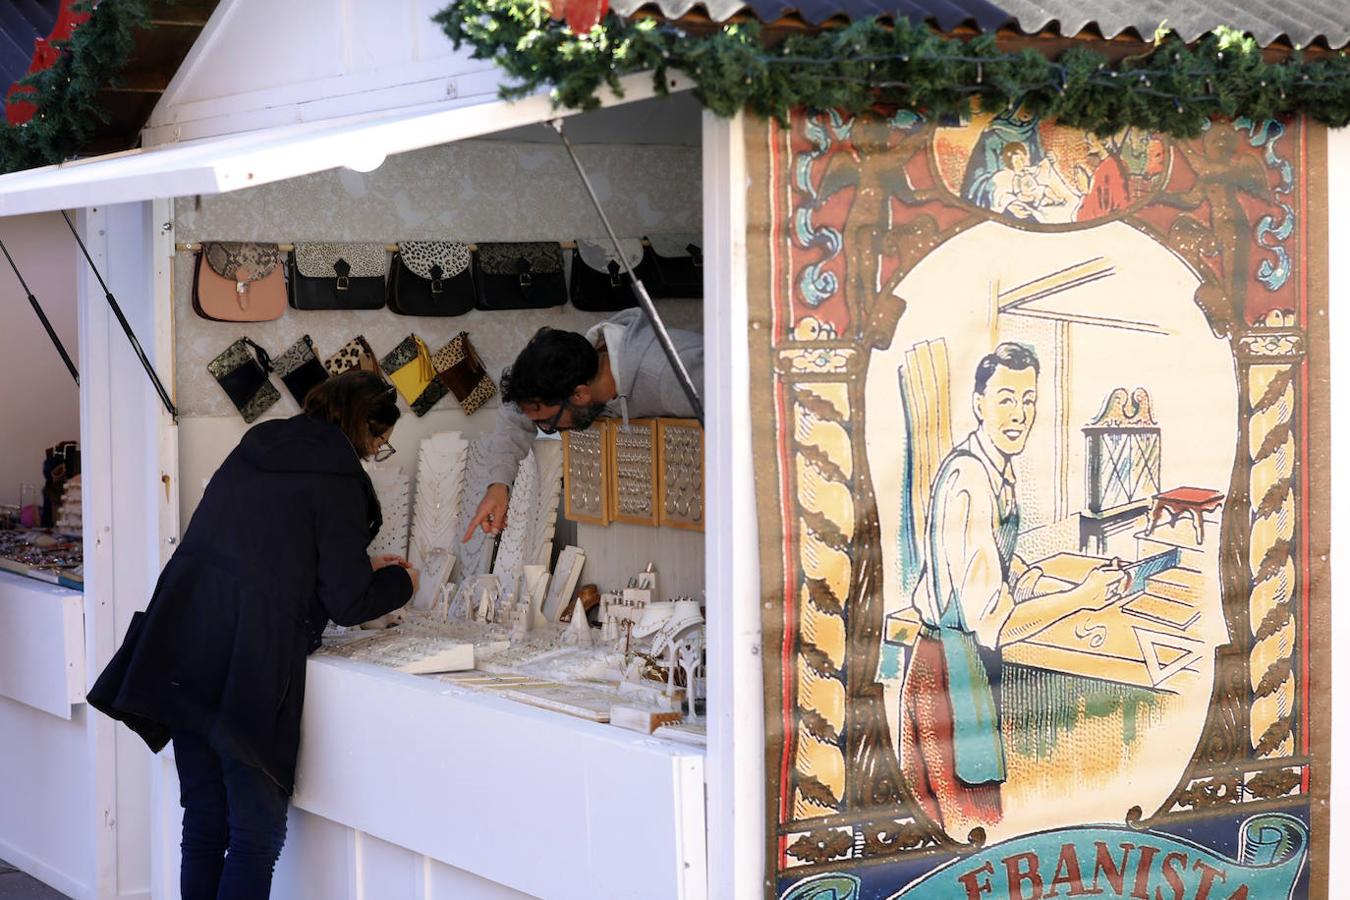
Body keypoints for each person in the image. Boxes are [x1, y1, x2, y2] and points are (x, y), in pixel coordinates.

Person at [87, 370, 419, 899]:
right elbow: (348, 601)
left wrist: (358, 566)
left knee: (203, 822)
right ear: (364, 427)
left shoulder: (260, 443)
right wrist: (401, 581)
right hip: (249, 660)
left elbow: (267, 549)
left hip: (183, 637)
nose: (376, 451)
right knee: (255, 837)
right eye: (379, 440)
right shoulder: (338, 478)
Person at [899, 343, 1123, 838]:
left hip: (966, 666)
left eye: (1028, 400)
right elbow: (991, 618)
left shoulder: (998, 468)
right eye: (1005, 399)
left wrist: (1043, 581)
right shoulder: (970, 479)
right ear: (979, 402)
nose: (1019, 414)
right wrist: (1080, 598)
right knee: (968, 828)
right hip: (949, 674)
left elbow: (995, 560)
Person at [463, 308, 703, 540]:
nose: (548, 428)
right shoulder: (577, 364)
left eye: (549, 423)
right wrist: (499, 484)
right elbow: (515, 414)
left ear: (579, 395)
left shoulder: (671, 377)